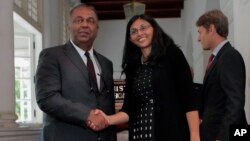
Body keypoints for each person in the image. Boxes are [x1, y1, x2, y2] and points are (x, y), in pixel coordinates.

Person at [89, 14, 200, 141]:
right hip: (139, 134)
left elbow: (189, 98)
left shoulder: (172, 54)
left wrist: (195, 135)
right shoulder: (133, 67)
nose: (139, 33)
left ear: (154, 29)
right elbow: (128, 110)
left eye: (144, 28)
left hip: (170, 133)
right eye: (134, 31)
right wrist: (107, 119)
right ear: (130, 38)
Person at [35, 3, 116, 141]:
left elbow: (108, 106)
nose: (85, 25)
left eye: (91, 21)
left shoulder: (107, 64)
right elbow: (47, 98)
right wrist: (87, 115)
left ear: (97, 28)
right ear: (69, 26)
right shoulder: (52, 55)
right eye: (79, 20)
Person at [196, 9, 248, 141]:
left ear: (211, 29)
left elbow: (235, 102)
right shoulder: (218, 58)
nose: (198, 38)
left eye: (200, 32)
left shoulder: (229, 56)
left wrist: (223, 137)